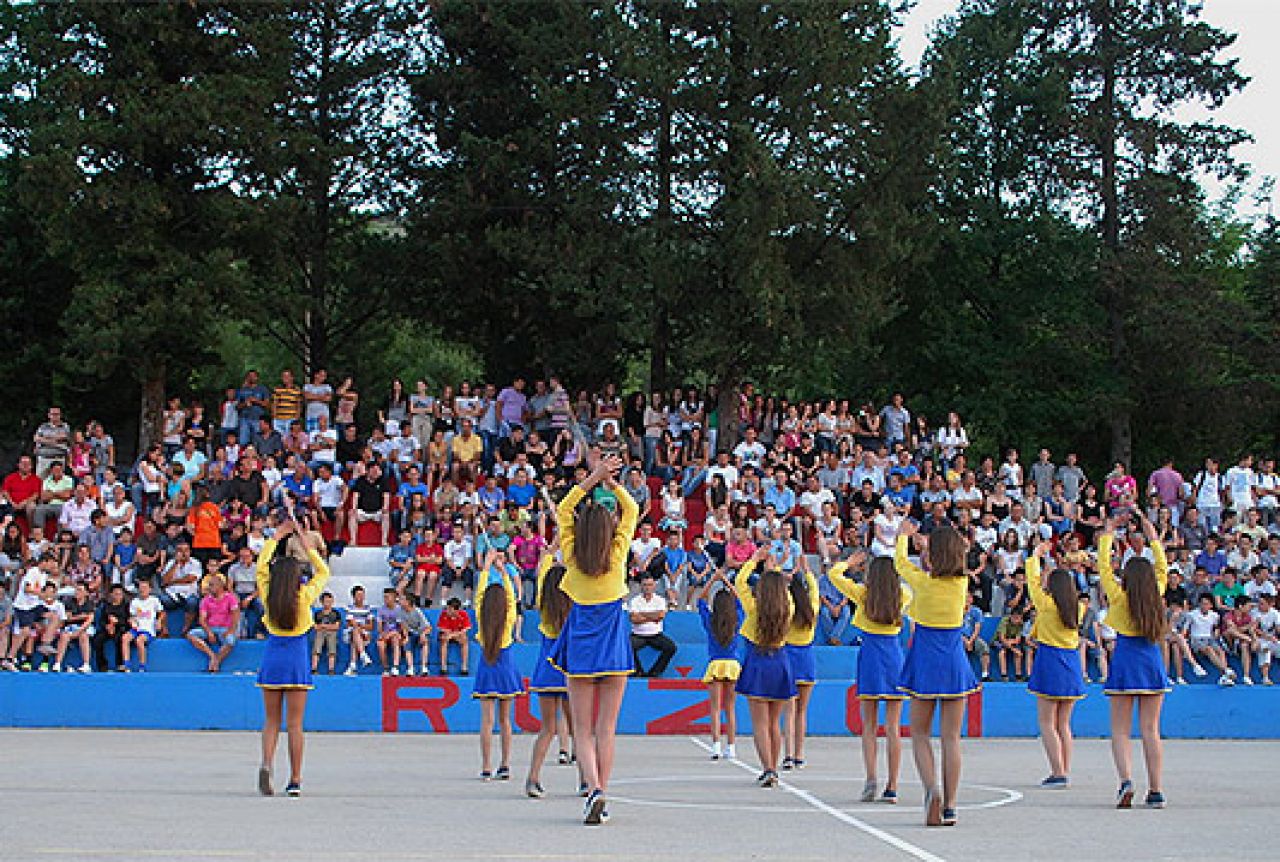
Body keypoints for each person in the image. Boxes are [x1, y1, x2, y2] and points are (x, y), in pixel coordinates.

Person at [548, 453, 638, 825]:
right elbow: (631, 510)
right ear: (610, 530)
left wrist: (592, 478)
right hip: (613, 640)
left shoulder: (570, 553)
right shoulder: (616, 557)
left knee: (581, 729)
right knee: (606, 728)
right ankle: (604, 791)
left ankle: (594, 789)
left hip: (581, 641)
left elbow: (565, 508)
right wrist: (611, 483)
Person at [895, 522, 977, 827]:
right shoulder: (962, 585)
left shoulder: (923, 583)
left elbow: (900, 563)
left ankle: (932, 789)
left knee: (919, 733)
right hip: (954, 659)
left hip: (926, 659)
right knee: (951, 737)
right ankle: (951, 805)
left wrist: (904, 536)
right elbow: (960, 553)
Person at [254, 509, 329, 797]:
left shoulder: (268, 595)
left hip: (273, 653)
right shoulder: (304, 597)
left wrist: (276, 538)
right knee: (295, 724)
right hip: (296, 656)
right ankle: (295, 779)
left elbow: (261, 569)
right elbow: (323, 573)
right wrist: (309, 549)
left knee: (271, 720)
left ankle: (266, 762)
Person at [1098, 512, 1169, 809]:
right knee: (1151, 730)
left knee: (1120, 730)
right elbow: (1163, 568)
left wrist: (1108, 532)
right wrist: (1153, 536)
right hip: (1150, 659)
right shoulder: (1156, 595)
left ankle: (1125, 780)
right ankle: (1155, 789)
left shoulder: (1118, 597)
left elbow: (1103, 567)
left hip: (1125, 659)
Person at [828, 553, 911, 804]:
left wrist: (849, 564)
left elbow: (833, 575)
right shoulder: (902, 595)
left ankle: (871, 778)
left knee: (869, 726)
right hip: (893, 654)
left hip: (871, 654)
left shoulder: (864, 594)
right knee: (894, 727)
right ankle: (893, 785)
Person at [733, 549, 795, 788]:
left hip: (758, 661)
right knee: (774, 722)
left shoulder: (754, 609)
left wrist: (754, 560)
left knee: (760, 723)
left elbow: (740, 581)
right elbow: (784, 592)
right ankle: (774, 767)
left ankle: (767, 768)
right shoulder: (787, 609)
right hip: (780, 662)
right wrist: (775, 568)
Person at [1025, 543, 1085, 788]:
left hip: (1050, 659)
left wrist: (1035, 557)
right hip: (1070, 660)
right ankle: (1065, 769)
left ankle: (1057, 771)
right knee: (1064, 723)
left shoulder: (1046, 605)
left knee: (1047, 722)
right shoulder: (1078, 608)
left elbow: (1032, 582)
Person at [525, 546, 577, 798]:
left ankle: (533, 778)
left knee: (547, 729)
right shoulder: (574, 609)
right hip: (568, 670)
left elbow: (543, 571)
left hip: (546, 670)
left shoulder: (543, 608)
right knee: (579, 730)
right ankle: (586, 782)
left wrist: (551, 551)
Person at [473, 555, 521, 781]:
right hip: (505, 665)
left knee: (487, 721)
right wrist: (503, 572)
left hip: (487, 664)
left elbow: (479, 595)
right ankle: (505, 764)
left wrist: (486, 567)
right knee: (505, 720)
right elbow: (512, 599)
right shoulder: (509, 617)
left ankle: (486, 766)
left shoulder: (481, 617)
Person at [696, 571, 743, 761]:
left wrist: (712, 580)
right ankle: (731, 747)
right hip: (732, 664)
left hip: (715, 663)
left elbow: (700, 599)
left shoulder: (710, 620)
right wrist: (726, 582)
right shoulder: (736, 619)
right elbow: (739, 598)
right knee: (730, 708)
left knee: (714, 708)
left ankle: (715, 746)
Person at [781, 565, 820, 771]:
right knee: (802, 711)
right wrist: (808, 572)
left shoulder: (788, 607)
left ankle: (787, 754)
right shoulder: (812, 608)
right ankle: (799, 755)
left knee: (789, 710)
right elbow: (815, 590)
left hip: (788, 656)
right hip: (806, 658)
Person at [186, 572, 240, 673]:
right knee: (191, 635)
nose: (209, 588)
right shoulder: (205, 600)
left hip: (225, 628)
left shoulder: (230, 598)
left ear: (220, 586)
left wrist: (231, 630)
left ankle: (216, 661)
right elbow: (202, 619)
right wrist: (209, 632)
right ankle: (212, 656)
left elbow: (236, 615)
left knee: (230, 641)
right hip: (210, 627)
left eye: (212, 585)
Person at [628, 575, 677, 678]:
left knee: (671, 647)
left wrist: (642, 614)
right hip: (638, 635)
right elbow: (634, 619)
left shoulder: (660, 600)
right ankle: (638, 671)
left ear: (654, 586)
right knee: (626, 646)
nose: (647, 587)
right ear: (641, 586)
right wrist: (652, 616)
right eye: (645, 585)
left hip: (655, 635)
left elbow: (660, 616)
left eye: (650, 585)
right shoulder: (635, 600)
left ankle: (655, 672)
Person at [121, 578, 164, 673]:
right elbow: (132, 616)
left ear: (150, 589)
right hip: (137, 628)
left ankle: (142, 666)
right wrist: (132, 622)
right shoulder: (134, 602)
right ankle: (126, 664)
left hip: (148, 630)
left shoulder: (154, 600)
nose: (142, 590)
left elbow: (161, 613)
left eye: (145, 587)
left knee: (139, 640)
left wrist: (159, 621)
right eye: (140, 588)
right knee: (125, 638)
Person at [92, 582, 130, 672]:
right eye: (116, 594)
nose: (118, 596)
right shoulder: (106, 606)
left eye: (120, 594)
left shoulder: (126, 606)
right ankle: (102, 665)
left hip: (121, 628)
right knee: (98, 640)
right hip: (108, 629)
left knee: (120, 638)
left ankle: (120, 664)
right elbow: (102, 620)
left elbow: (128, 620)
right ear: (111, 594)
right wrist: (107, 626)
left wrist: (117, 623)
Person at [343, 585, 374, 676]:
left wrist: (361, 627)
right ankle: (363, 654)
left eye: (362, 595)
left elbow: (371, 626)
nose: (361, 597)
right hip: (350, 633)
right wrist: (361, 626)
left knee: (355, 640)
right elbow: (350, 624)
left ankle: (353, 666)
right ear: (353, 596)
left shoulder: (368, 609)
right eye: (358, 595)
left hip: (364, 634)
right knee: (355, 631)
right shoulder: (349, 608)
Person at [437, 596, 471, 675]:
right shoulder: (444, 614)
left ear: (457, 610)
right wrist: (449, 634)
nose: (448, 611)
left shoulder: (463, 614)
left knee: (464, 640)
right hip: (447, 634)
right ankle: (443, 667)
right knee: (443, 639)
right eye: (447, 608)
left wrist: (453, 635)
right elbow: (442, 629)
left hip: (457, 635)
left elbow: (465, 630)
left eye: (450, 609)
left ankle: (464, 667)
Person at [310, 592, 341, 676]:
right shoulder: (318, 614)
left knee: (332, 649)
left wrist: (324, 626)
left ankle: (331, 669)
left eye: (330, 601)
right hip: (320, 632)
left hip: (332, 633)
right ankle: (314, 668)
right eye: (326, 601)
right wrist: (327, 626)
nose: (328, 603)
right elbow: (315, 627)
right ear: (322, 602)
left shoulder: (336, 613)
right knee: (316, 648)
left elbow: (336, 627)